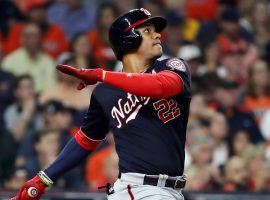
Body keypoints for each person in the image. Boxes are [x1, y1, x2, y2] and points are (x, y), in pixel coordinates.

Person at [11, 8, 191, 200]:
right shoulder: (105, 92)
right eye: (147, 30)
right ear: (128, 39)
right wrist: (42, 179)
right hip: (139, 189)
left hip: (171, 190)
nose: (157, 34)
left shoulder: (172, 66)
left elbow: (160, 87)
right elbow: (85, 139)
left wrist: (101, 75)